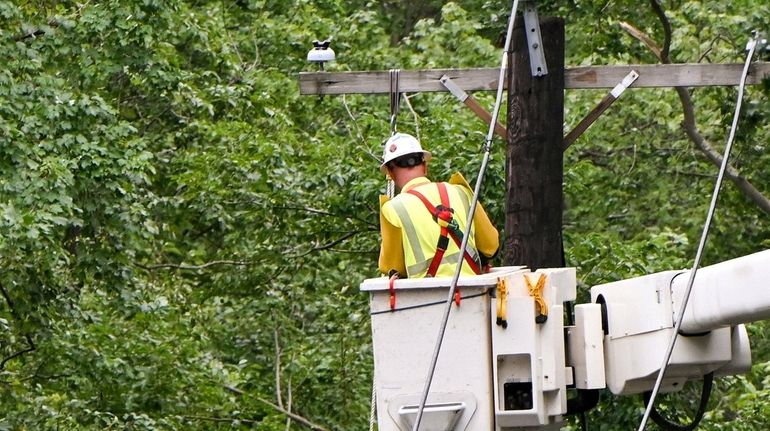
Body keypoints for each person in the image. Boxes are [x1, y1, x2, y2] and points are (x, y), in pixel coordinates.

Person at [378, 133, 499, 278]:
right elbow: (491, 247)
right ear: (424, 166)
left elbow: (391, 267)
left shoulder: (392, 209)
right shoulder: (461, 192)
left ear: (390, 173)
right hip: (471, 292)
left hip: (425, 296)